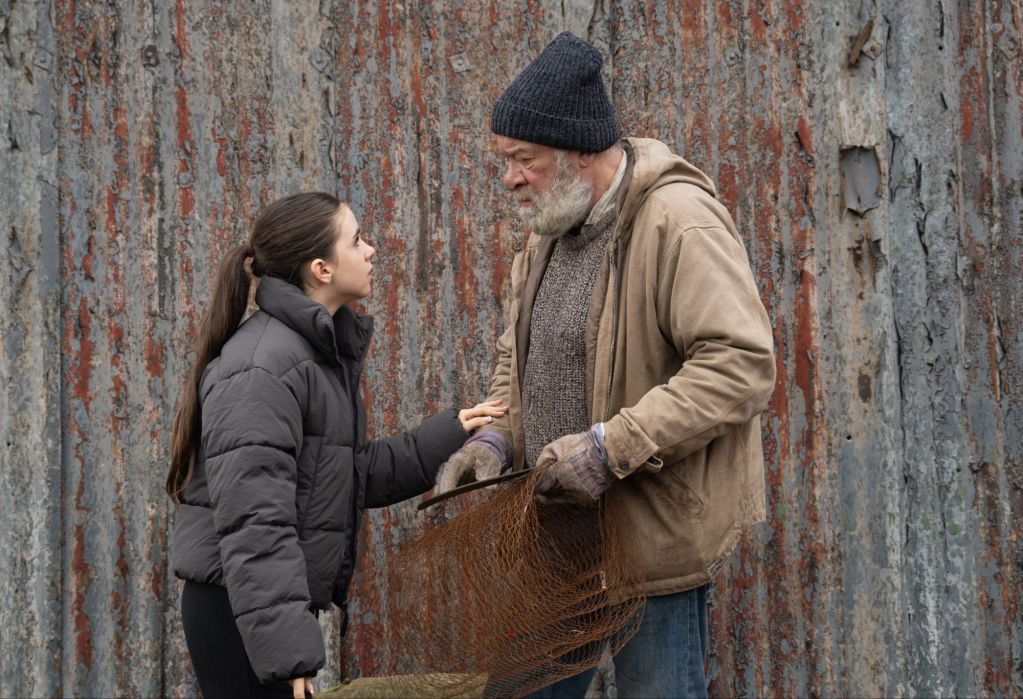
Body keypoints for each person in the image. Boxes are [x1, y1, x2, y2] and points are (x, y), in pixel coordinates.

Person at [434, 33, 776, 698]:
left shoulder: (677, 221)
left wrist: (606, 446)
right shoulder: (547, 234)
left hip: (650, 545)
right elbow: (518, 360)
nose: (508, 178)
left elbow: (739, 364)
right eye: (504, 160)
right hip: (556, 537)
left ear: (579, 154)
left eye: (521, 160)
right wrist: (495, 438)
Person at [167, 192, 506, 699]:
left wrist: (452, 431)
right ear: (321, 268)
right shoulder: (263, 366)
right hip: (243, 611)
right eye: (357, 240)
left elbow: (343, 476)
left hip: (261, 606)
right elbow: (257, 521)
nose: (371, 250)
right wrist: (285, 647)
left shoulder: (309, 352)